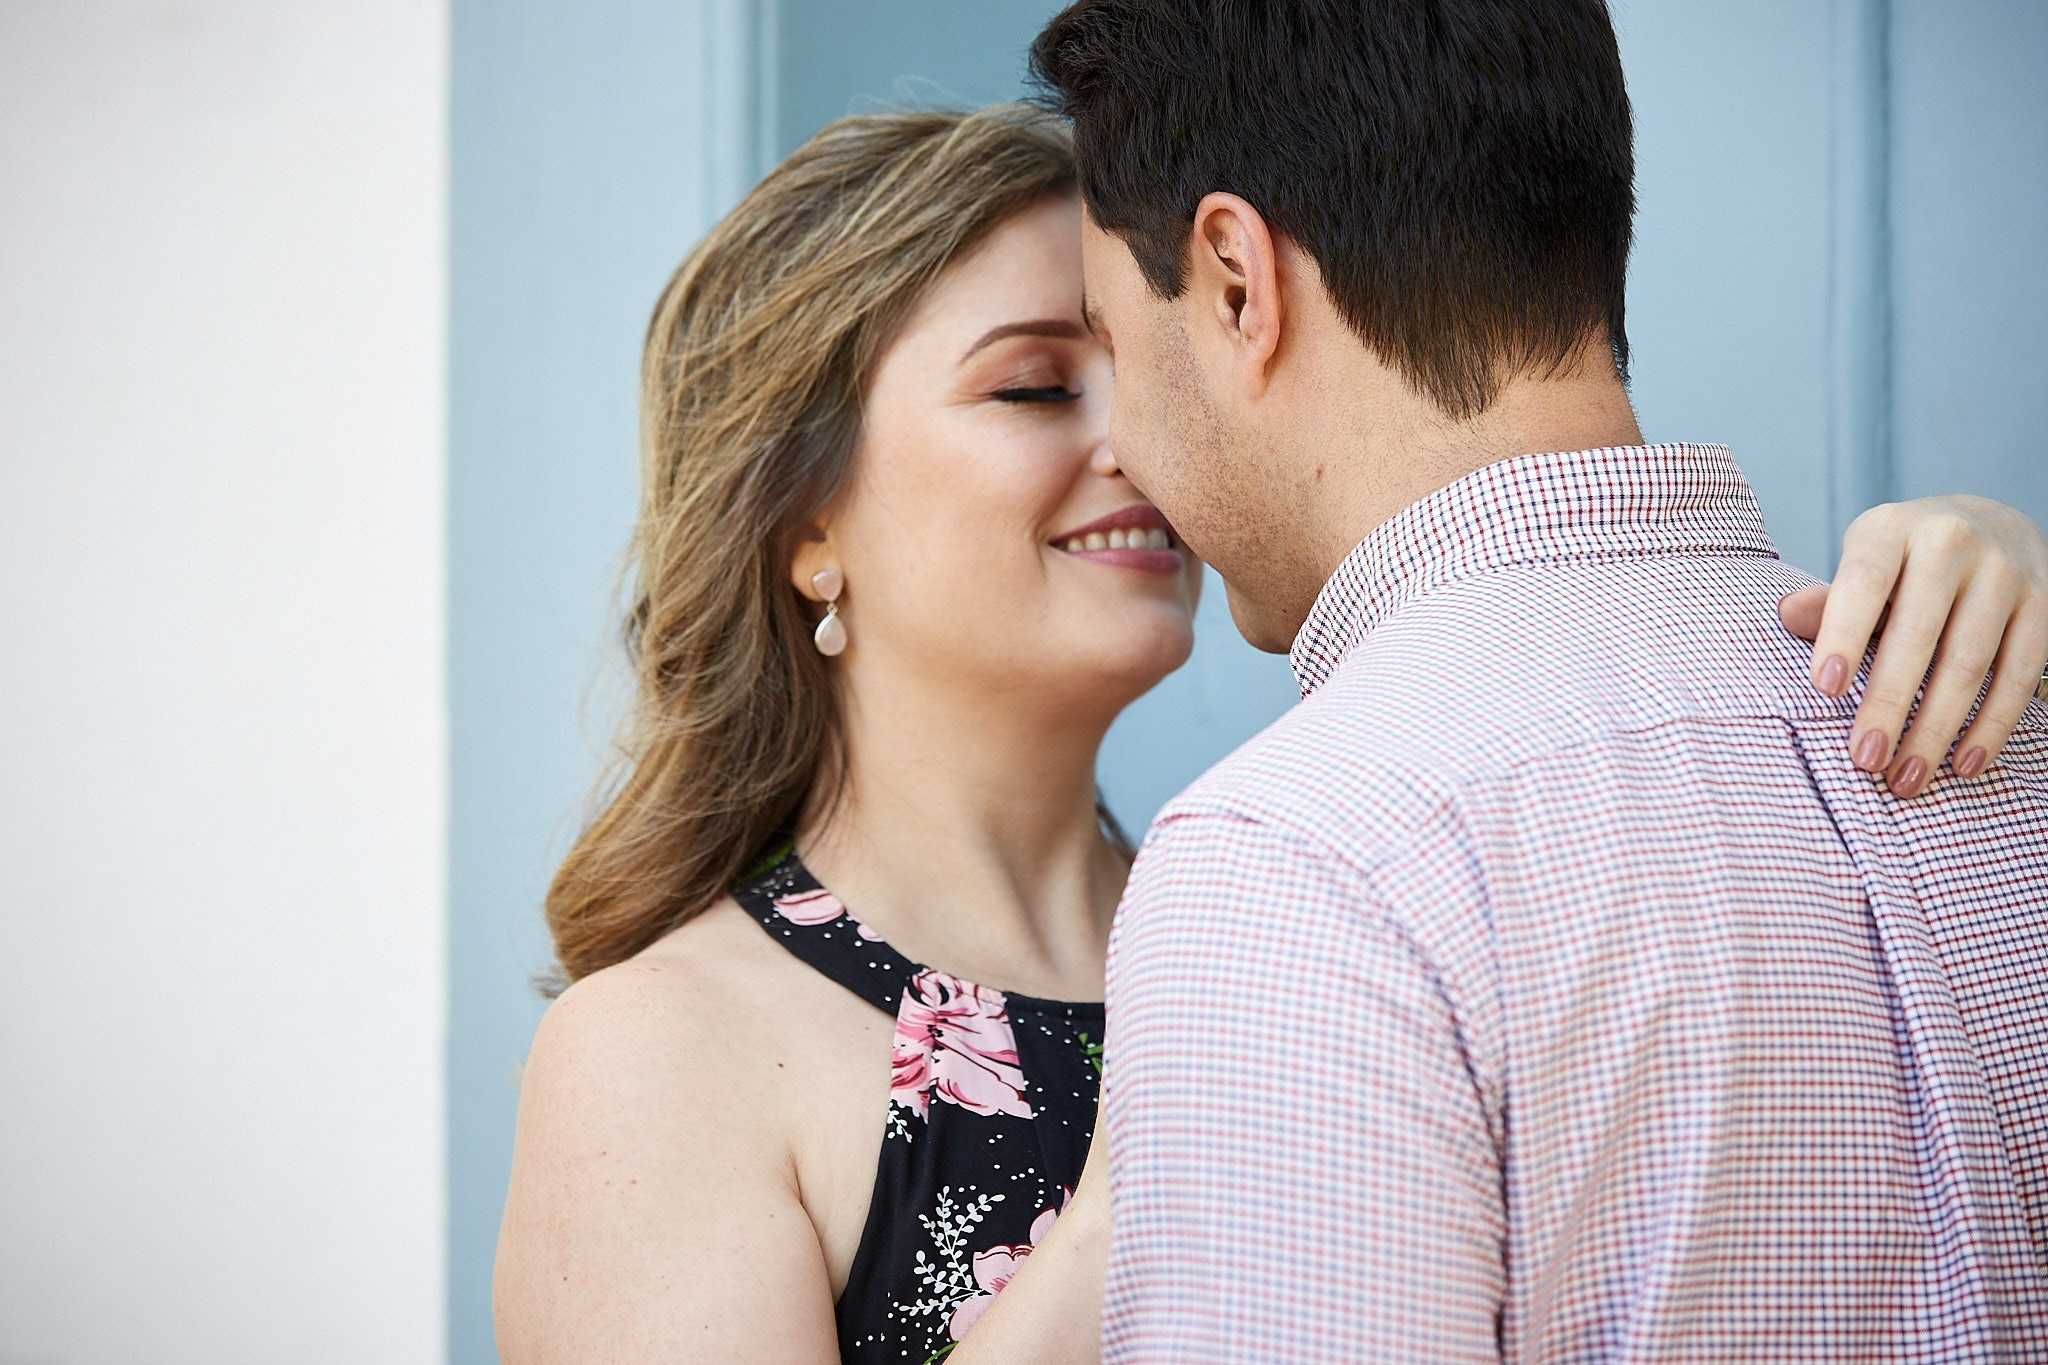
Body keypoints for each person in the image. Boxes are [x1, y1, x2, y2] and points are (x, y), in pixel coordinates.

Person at [489, 106, 2048, 1363]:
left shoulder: (1330, 896)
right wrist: (1137, 1178)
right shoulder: (655, 1053)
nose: (1137, 438)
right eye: (1033, 385)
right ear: (803, 522)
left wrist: (1988, 588)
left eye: (1132, 362)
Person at [1030, 2, 2048, 1361]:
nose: (1122, 447)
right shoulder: (2010, 716)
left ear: (1234, 282)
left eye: (1112, 341)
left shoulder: (1306, 859)